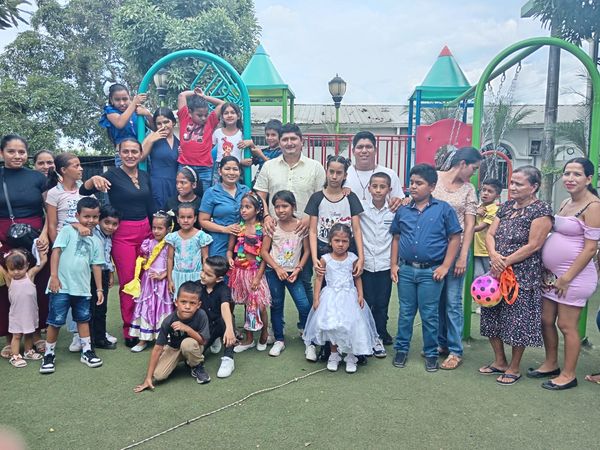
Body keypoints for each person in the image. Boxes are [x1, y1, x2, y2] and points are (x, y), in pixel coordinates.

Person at [529, 158, 600, 390]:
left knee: (567, 326)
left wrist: (567, 277)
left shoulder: (594, 206)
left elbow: (590, 248)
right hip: (553, 276)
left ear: (588, 179)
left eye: (577, 174)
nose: (570, 178)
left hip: (574, 278)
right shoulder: (566, 202)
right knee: (546, 320)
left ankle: (568, 375)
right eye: (567, 173)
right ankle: (551, 363)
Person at [479, 165, 553, 385]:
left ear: (534, 187)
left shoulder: (540, 210)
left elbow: (534, 245)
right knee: (491, 314)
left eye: (519, 184)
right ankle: (499, 361)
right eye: (512, 182)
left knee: (516, 320)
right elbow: (490, 234)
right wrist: (494, 256)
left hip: (522, 274)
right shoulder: (506, 207)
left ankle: (514, 367)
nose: (512, 187)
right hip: (496, 271)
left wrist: (505, 262)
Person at [80, 138, 155, 347]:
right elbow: (84, 191)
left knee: (147, 280)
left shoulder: (145, 175)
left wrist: (156, 233)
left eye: (134, 151)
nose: (130, 155)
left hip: (147, 231)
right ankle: (130, 329)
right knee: (129, 281)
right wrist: (93, 179)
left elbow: (150, 205)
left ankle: (147, 326)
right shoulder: (111, 175)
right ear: (119, 153)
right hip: (123, 234)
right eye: (126, 151)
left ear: (140, 153)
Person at [389, 164, 462, 372]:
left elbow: (455, 237)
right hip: (406, 271)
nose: (413, 186)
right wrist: (393, 264)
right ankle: (401, 349)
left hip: (431, 272)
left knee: (430, 314)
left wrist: (445, 266)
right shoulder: (403, 210)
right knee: (405, 312)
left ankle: (431, 353)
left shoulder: (443, 209)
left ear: (431, 186)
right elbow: (396, 237)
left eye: (419, 183)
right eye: (411, 182)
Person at [254, 123, 326, 313]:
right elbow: (260, 195)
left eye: (293, 139)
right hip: (275, 232)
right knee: (274, 285)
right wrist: (266, 216)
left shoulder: (315, 167)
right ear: (279, 143)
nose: (289, 143)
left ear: (302, 142)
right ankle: (277, 327)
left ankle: (308, 324)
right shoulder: (269, 166)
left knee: (304, 280)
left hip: (304, 231)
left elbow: (321, 198)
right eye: (285, 139)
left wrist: (308, 217)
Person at [40, 197, 106, 374]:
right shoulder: (67, 231)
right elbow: (56, 252)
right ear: (77, 216)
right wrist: (54, 277)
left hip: (82, 289)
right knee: (55, 321)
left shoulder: (97, 241)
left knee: (83, 319)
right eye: (86, 216)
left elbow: (96, 266)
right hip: (61, 286)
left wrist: (99, 289)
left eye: (94, 217)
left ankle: (87, 351)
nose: (90, 220)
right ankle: (49, 354)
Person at [303, 224, 378, 374]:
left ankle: (351, 356)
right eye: (337, 240)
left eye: (344, 241)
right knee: (333, 326)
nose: (340, 244)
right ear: (330, 241)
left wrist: (360, 295)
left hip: (349, 297)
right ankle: (334, 355)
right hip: (330, 297)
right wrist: (316, 298)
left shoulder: (352, 258)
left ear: (349, 242)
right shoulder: (325, 259)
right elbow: (319, 279)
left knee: (350, 326)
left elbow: (357, 277)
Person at [0, 135, 50, 359]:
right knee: (6, 288)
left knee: (37, 286)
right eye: (11, 151)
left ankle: (36, 335)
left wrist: (45, 235)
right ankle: (10, 337)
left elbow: (50, 210)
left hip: (35, 237)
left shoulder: (37, 177)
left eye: (21, 152)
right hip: (3, 239)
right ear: (2, 153)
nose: (17, 156)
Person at [433, 146, 481, 370]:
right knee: (437, 300)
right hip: (434, 249)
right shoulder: (434, 178)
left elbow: (470, 224)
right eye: (474, 168)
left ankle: (455, 350)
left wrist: (463, 256)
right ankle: (441, 342)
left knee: (453, 301)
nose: (474, 173)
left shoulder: (469, 189)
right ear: (462, 164)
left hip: (458, 250)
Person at [133, 281, 212, 391]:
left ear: (198, 305)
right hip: (174, 348)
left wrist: (187, 329)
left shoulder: (201, 315)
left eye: (192, 303)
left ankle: (197, 366)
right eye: (183, 302)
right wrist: (148, 378)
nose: (187, 306)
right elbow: (157, 349)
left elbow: (203, 341)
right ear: (176, 302)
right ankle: (181, 359)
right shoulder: (168, 321)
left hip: (193, 346)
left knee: (187, 344)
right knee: (159, 375)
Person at [46, 153, 88, 352]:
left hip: (85, 245)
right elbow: (52, 224)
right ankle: (74, 334)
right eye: (76, 166)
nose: (81, 169)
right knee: (66, 289)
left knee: (82, 287)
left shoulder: (84, 189)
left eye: (80, 165)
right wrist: (59, 248)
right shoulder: (54, 193)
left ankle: (82, 333)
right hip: (65, 247)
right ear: (63, 170)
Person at [261, 190, 311, 357]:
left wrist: (298, 269)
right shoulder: (272, 226)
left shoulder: (301, 225)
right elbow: (264, 251)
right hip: (274, 273)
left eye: (285, 206)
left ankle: (308, 336)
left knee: (304, 305)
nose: (281, 210)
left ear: (293, 206)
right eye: (277, 207)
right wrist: (277, 268)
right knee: (276, 305)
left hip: (293, 274)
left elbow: (307, 251)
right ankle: (279, 339)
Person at [305, 154, 365, 277]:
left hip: (347, 250)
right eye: (331, 172)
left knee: (348, 283)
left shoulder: (351, 198)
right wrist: (314, 257)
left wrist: (361, 257)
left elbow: (357, 230)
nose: (334, 176)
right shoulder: (316, 198)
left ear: (345, 175)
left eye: (339, 173)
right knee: (324, 284)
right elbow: (312, 231)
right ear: (326, 172)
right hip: (323, 248)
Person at [227, 192, 271, 352]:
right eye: (242, 207)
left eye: (248, 207)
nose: (243, 210)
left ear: (257, 210)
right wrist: (229, 258)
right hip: (239, 272)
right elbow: (230, 250)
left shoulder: (264, 229)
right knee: (247, 304)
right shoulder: (238, 228)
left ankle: (264, 332)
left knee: (260, 305)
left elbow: (264, 256)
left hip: (256, 272)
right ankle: (249, 338)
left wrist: (258, 277)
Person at [360, 172, 395, 355]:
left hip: (384, 265)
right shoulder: (361, 208)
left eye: (383, 187)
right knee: (366, 302)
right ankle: (365, 335)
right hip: (365, 265)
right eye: (375, 186)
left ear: (389, 189)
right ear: (369, 188)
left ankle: (379, 336)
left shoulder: (394, 211)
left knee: (382, 303)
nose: (378, 190)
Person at [129, 212, 174, 353]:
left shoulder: (170, 245)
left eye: (160, 228)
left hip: (163, 283)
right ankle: (144, 338)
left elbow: (173, 262)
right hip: (148, 282)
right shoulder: (148, 243)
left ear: (168, 229)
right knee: (147, 306)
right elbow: (144, 258)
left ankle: (164, 340)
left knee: (162, 308)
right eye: (154, 227)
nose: (156, 231)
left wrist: (164, 275)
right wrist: (142, 263)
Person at [0, 249, 47, 368]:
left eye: (20, 268)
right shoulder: (10, 280)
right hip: (16, 315)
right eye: (12, 269)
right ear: (7, 268)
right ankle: (15, 356)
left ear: (27, 266)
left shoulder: (29, 275)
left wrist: (42, 251)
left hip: (30, 313)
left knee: (29, 333)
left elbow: (42, 262)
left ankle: (28, 351)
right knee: (16, 336)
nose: (16, 272)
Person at [199, 156, 250, 257]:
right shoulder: (211, 192)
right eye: (227, 169)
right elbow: (203, 221)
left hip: (244, 241)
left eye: (235, 169)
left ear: (240, 172)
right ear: (220, 171)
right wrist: (225, 229)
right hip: (219, 241)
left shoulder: (246, 190)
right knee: (219, 266)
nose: (231, 172)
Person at [177, 87, 225, 192]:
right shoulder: (184, 118)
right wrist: (195, 93)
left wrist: (204, 97)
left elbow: (222, 104)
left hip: (204, 168)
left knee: (204, 197)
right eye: (199, 115)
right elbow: (182, 95)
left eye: (205, 115)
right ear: (190, 112)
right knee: (183, 195)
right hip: (185, 165)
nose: (203, 118)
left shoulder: (210, 121)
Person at [345, 131, 404, 210]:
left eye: (368, 147)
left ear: (375, 150)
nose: (364, 151)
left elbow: (399, 200)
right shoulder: (344, 174)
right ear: (353, 151)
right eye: (360, 147)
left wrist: (399, 201)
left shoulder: (390, 174)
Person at [198, 256, 237, 378]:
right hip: (206, 329)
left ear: (219, 278)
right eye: (203, 271)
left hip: (220, 325)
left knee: (228, 320)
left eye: (208, 274)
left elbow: (225, 307)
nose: (203, 275)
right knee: (191, 360)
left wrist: (229, 329)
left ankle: (228, 358)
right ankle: (214, 340)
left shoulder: (223, 289)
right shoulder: (197, 286)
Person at [89, 206, 120, 350]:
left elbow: (107, 257)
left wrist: (111, 273)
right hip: (91, 274)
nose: (110, 227)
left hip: (104, 273)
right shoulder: (93, 233)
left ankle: (100, 338)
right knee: (91, 308)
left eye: (114, 224)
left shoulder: (109, 236)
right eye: (106, 222)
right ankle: (88, 339)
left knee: (101, 308)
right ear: (99, 220)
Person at [99, 83, 153, 164]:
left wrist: (148, 114)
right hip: (124, 156)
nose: (122, 103)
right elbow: (120, 123)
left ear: (129, 98)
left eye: (125, 99)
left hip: (142, 153)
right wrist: (134, 103)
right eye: (117, 100)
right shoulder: (110, 111)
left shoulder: (136, 110)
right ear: (111, 100)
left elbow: (155, 128)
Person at [166, 203, 212, 296]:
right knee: (179, 301)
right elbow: (170, 259)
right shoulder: (173, 237)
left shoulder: (201, 236)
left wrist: (205, 276)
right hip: (178, 277)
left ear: (195, 218)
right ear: (178, 219)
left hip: (196, 276)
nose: (186, 220)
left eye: (189, 217)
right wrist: (170, 280)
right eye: (182, 217)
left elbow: (205, 258)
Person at [141, 107, 180, 209]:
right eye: (159, 124)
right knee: (159, 214)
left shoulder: (179, 143)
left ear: (173, 122)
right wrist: (150, 140)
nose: (163, 126)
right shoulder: (153, 138)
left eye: (166, 122)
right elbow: (140, 157)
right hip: (157, 184)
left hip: (175, 184)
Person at [211, 102, 253, 176]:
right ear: (222, 117)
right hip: (220, 166)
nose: (229, 115)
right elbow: (209, 149)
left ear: (238, 116)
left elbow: (254, 150)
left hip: (236, 166)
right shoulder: (217, 132)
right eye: (226, 113)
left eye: (232, 113)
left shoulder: (242, 134)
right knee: (218, 184)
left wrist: (251, 143)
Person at [473, 178, 502, 278]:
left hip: (487, 251)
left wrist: (465, 230)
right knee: (477, 276)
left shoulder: (495, 209)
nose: (485, 193)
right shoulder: (478, 207)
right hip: (476, 249)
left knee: (490, 276)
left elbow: (481, 226)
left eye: (490, 191)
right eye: (484, 190)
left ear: (497, 196)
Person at [165, 166, 203, 231]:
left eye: (183, 183)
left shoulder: (201, 204)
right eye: (177, 182)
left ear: (194, 185)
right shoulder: (170, 203)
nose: (178, 186)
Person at [250, 119, 282, 185]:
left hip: (270, 185)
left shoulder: (281, 152)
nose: (269, 138)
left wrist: (261, 155)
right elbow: (252, 160)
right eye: (267, 135)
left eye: (273, 135)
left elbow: (274, 167)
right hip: (258, 183)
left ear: (280, 136)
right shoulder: (264, 151)